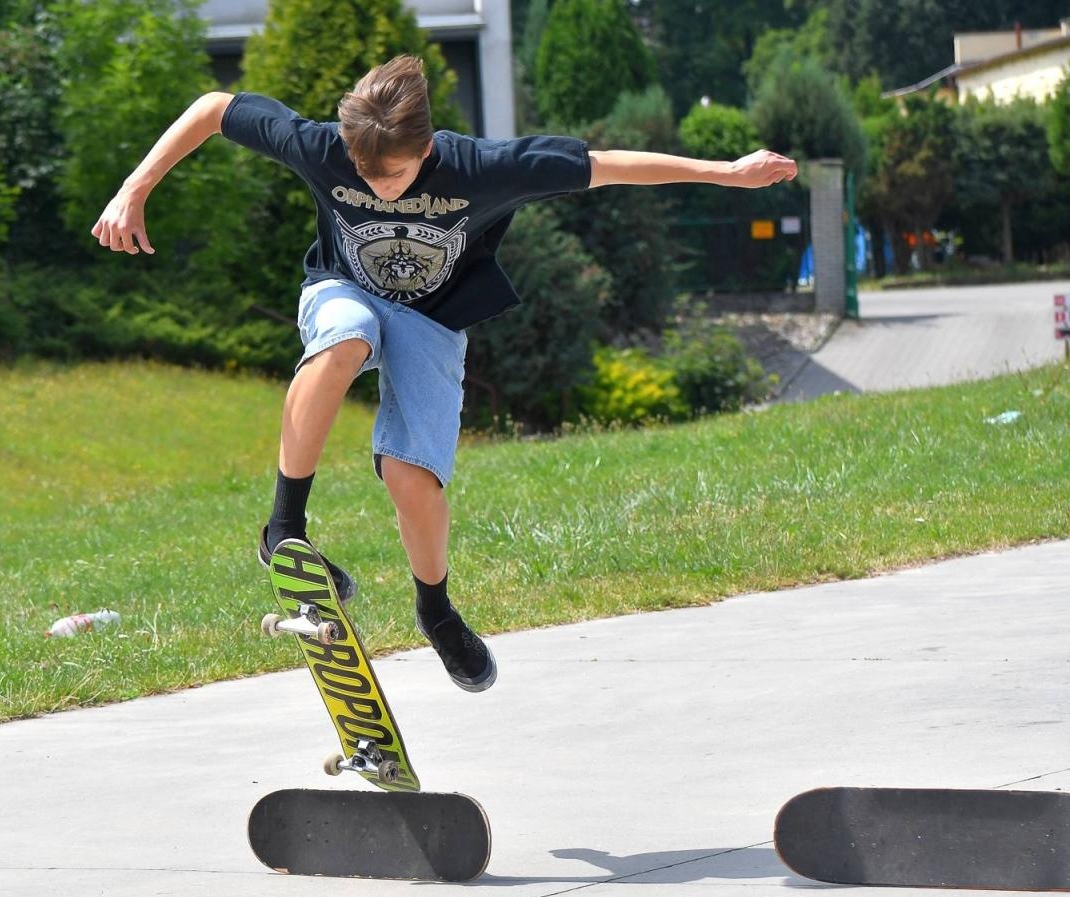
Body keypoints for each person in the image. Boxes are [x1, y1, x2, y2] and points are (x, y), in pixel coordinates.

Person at [92, 55, 797, 693]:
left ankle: (435, 610)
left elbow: (606, 164)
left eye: (390, 176)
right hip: (344, 289)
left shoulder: (486, 168)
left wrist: (726, 173)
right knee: (344, 338)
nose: (376, 187)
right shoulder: (323, 147)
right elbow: (216, 107)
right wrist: (134, 187)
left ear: (425, 149)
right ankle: (284, 527)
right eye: (362, 176)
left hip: (434, 323)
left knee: (411, 477)